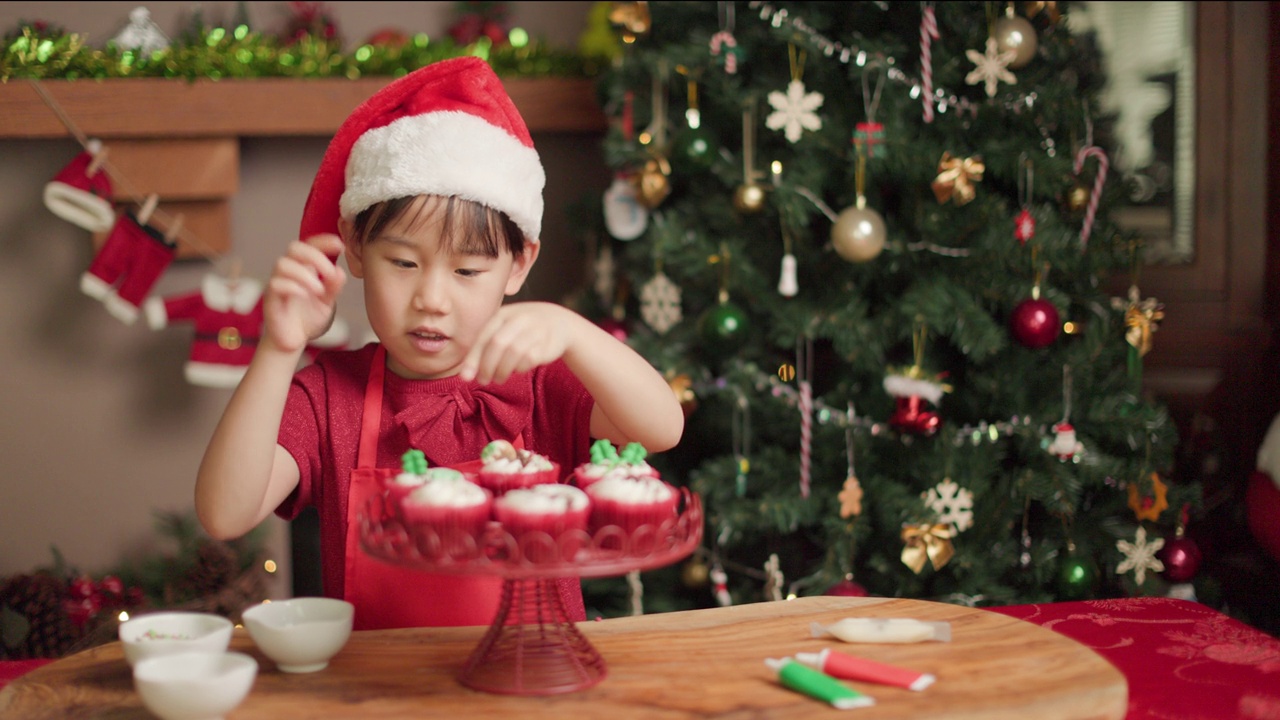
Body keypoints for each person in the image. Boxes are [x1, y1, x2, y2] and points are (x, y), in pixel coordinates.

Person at [195, 56, 685, 630]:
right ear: (355, 247)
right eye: (403, 262)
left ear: (518, 265)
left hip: (531, 691)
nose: (432, 298)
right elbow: (225, 514)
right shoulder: (328, 396)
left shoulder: (540, 381)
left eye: (467, 272)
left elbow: (662, 427)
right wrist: (279, 349)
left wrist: (572, 330)